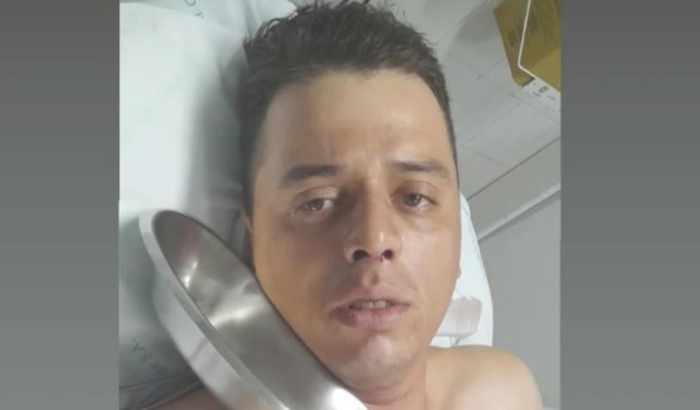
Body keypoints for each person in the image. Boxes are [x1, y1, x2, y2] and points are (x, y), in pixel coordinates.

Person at [158, 1, 542, 409]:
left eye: (415, 197)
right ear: (254, 244)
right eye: (317, 202)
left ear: (458, 243)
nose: (374, 239)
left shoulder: (504, 391)